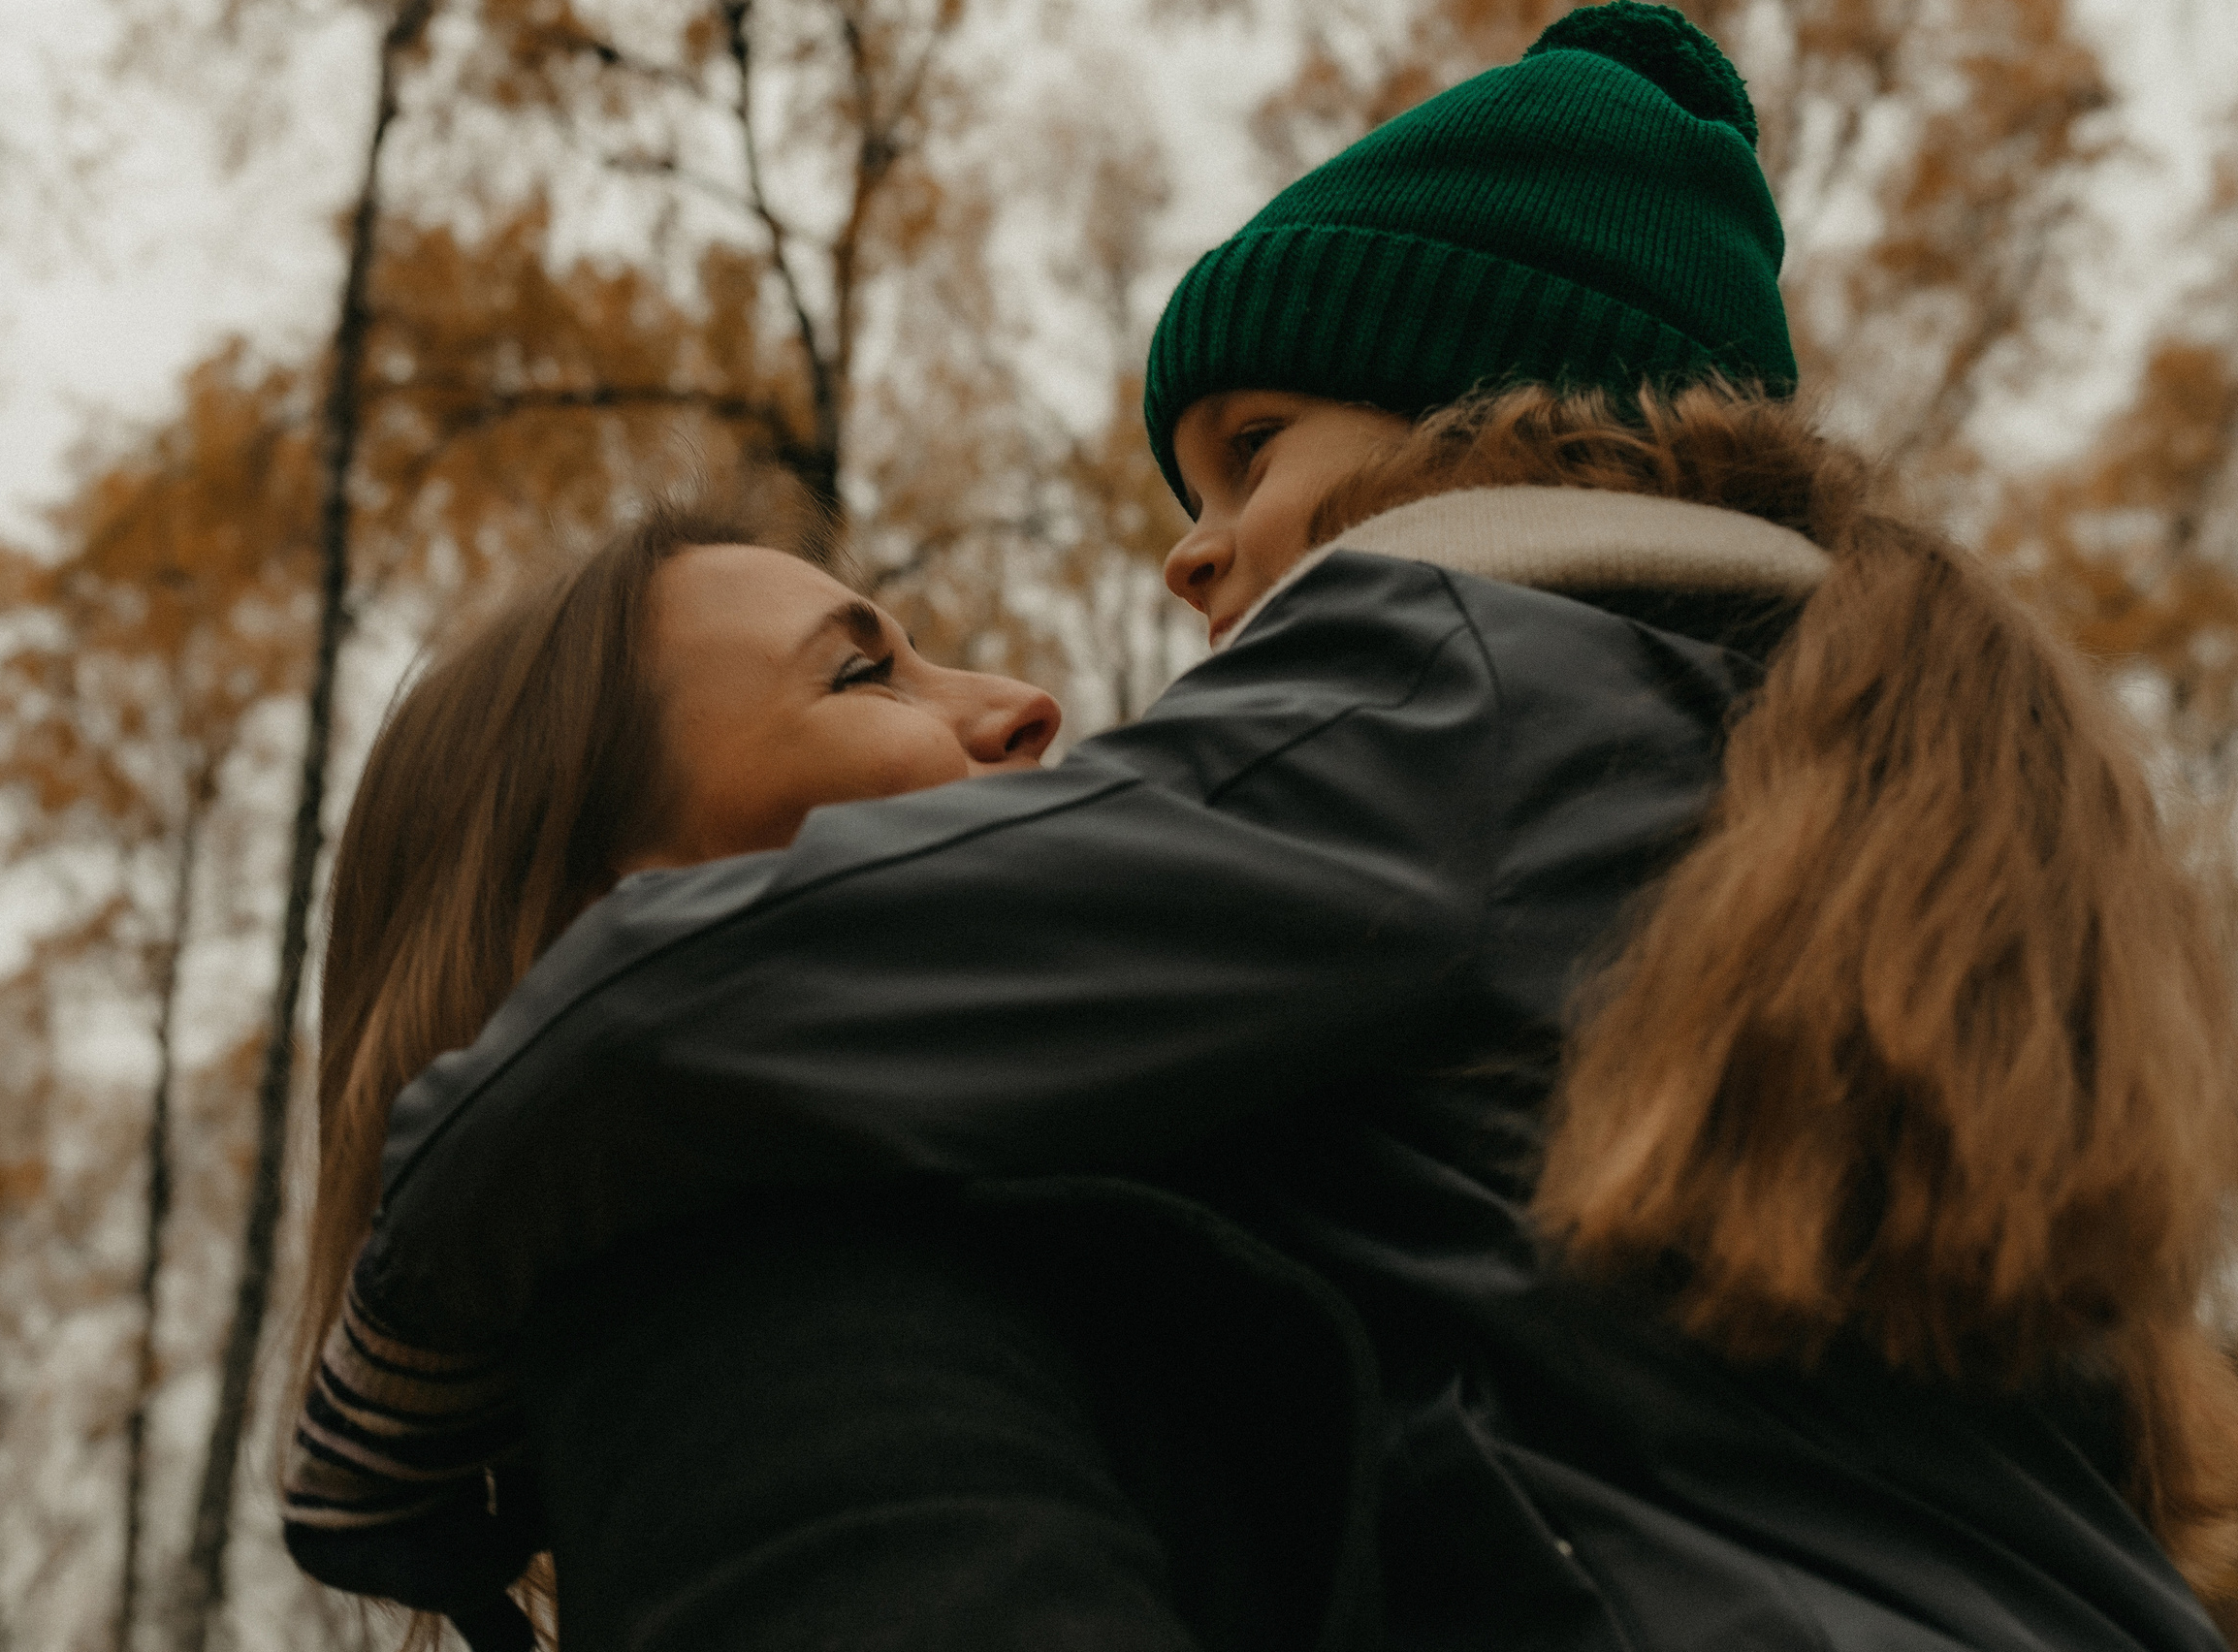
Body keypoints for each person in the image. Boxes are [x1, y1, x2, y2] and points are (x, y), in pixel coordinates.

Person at [339, 4, 2238, 1647]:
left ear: (1484, 429)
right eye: (862, 680)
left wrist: (408, 1346)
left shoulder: (1456, 686)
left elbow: (681, 1011)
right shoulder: (1791, 767)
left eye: (1252, 448)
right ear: (606, 883)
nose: (1167, 570)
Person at [281, 492, 1383, 1651]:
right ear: (604, 935)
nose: (1025, 708)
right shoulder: (745, 1328)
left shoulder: (1100, 1255)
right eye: (862, 679)